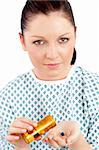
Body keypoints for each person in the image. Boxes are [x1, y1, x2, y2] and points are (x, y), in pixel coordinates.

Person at [0, 0, 99, 150]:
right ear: (23, 41)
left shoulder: (94, 89)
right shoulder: (9, 97)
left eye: (63, 40)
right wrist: (20, 147)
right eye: (39, 42)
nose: (52, 54)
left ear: (75, 35)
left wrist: (76, 140)